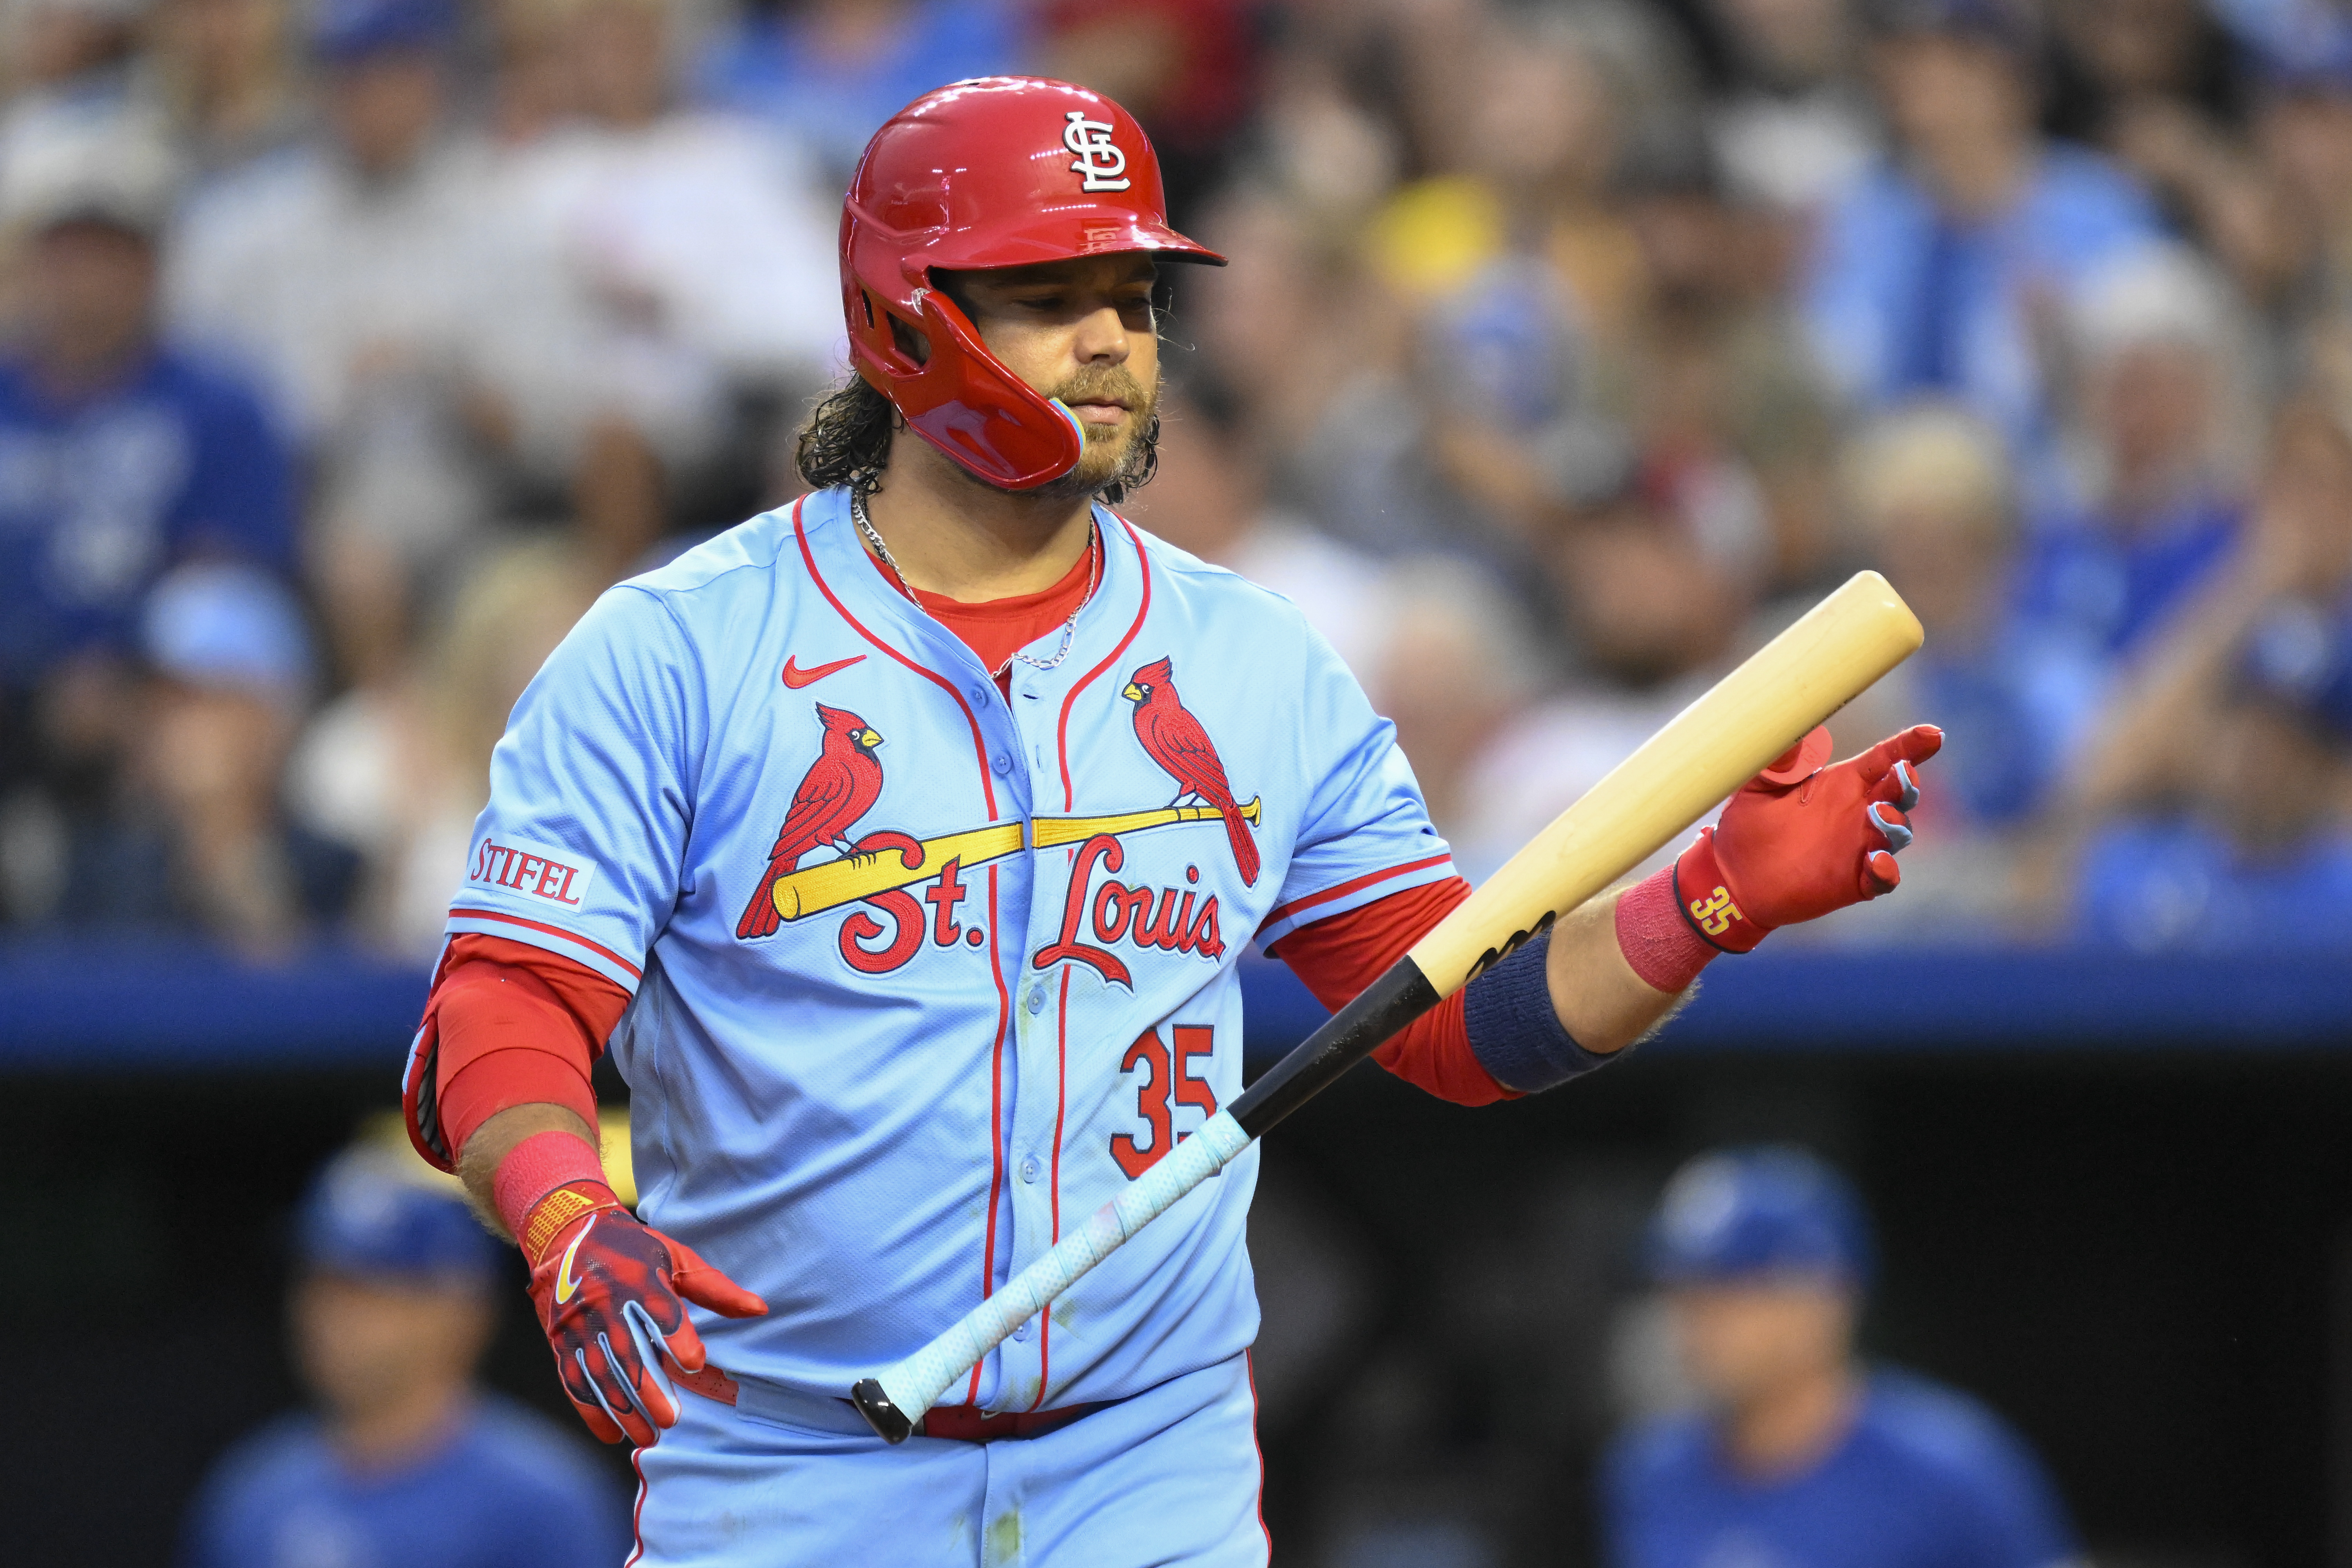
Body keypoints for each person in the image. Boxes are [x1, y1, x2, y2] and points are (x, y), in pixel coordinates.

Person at [397, 78, 1943, 1563]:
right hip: (792, 1462)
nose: (1110, 343)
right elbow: (507, 998)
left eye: (1133, 299)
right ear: (906, 316)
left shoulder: (1253, 663)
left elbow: (1453, 1018)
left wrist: (1707, 902)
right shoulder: (679, 649)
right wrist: (565, 1213)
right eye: (1050, 294)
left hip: (1144, 1464)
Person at [1604, 1147, 2079, 1568]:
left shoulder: (1952, 1468)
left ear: (1830, 1299)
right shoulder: (1650, 1473)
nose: (1699, 1324)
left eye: (1732, 1293)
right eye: (1685, 1296)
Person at [178, 1138, 630, 1568]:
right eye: (320, 1284)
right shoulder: (252, 1493)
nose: (330, 1316)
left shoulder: (540, 1503)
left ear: (461, 1316)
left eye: (370, 1291)